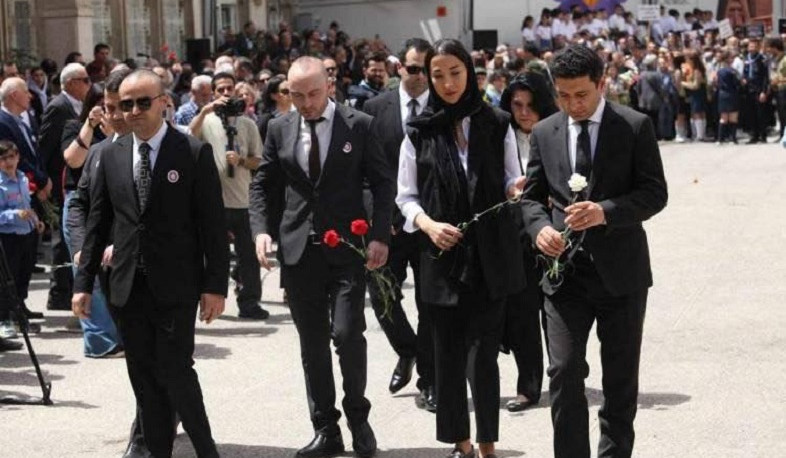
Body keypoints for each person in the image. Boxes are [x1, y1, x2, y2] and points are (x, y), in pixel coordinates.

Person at [72, 69, 228, 458]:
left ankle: (206, 449)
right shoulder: (110, 154)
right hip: (127, 286)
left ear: (164, 103)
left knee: (176, 372)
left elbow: (212, 225)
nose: (135, 111)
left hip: (176, 284)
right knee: (143, 378)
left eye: (144, 102)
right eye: (126, 104)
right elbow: (97, 223)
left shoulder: (191, 151)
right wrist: (82, 283)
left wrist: (215, 287)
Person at [521, 44, 667, 458]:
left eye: (582, 94)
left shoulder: (634, 125)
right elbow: (531, 199)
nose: (573, 105)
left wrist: (605, 212)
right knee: (564, 372)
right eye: (563, 96)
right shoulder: (545, 131)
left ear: (602, 84)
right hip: (563, 277)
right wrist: (540, 229)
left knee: (620, 379)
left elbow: (654, 193)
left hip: (621, 275)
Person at [250, 56, 394, 458]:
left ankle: (358, 418)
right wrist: (261, 230)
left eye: (313, 93)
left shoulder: (359, 125)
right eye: (297, 95)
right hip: (299, 251)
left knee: (347, 335)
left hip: (347, 248)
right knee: (312, 344)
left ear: (329, 85)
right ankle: (325, 428)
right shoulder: (278, 128)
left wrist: (380, 236)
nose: (307, 103)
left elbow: (382, 183)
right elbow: (263, 184)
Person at [396, 38, 525, 458]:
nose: (448, 83)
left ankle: (487, 443)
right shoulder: (419, 131)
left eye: (455, 72)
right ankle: (460, 443)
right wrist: (428, 225)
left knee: (483, 355)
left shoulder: (497, 122)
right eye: (438, 75)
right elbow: (405, 196)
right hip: (440, 257)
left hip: (489, 255)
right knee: (447, 354)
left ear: (470, 72)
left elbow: (511, 177)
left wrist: (516, 188)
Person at [66, 67, 151, 458]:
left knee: (164, 357)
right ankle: (152, 420)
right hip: (115, 275)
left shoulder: (162, 148)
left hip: (159, 270)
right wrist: (83, 249)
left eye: (123, 107)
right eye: (110, 107)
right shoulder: (100, 153)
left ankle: (148, 430)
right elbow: (80, 205)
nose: (116, 115)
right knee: (137, 354)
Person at [362, 37, 436, 411]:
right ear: (399, 68)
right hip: (388, 224)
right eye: (413, 68)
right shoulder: (375, 109)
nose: (419, 76)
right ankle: (408, 350)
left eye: (426, 69)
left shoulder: (443, 107)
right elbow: (367, 172)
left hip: (430, 224)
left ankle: (430, 379)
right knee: (381, 297)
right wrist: (379, 219)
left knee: (430, 302)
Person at [498, 71, 558, 414]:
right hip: (514, 238)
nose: (523, 113)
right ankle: (528, 385)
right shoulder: (500, 136)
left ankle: (564, 372)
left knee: (557, 312)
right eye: (517, 105)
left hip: (553, 235)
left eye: (531, 106)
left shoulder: (557, 133)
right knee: (522, 314)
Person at [190, 72, 267, 320]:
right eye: (220, 89)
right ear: (213, 93)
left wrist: (241, 160)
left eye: (229, 89)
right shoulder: (207, 121)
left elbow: (259, 161)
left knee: (248, 258)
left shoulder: (248, 124)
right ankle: (209, 301)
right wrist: (205, 111)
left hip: (243, 200)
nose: (225, 93)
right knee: (213, 256)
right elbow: (188, 138)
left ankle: (250, 302)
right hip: (214, 202)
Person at [60, 81, 124, 358]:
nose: (108, 112)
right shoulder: (74, 126)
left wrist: (112, 132)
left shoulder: (122, 131)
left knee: (111, 271)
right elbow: (73, 160)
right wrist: (89, 124)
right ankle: (100, 342)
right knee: (89, 272)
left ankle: (118, 335)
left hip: (111, 204)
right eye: (103, 106)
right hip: (81, 201)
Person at [39, 62, 90, 311]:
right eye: (85, 80)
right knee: (62, 237)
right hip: (59, 181)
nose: (89, 85)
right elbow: (46, 146)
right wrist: (44, 180)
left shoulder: (77, 105)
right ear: (70, 83)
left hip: (72, 179)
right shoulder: (58, 107)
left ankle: (66, 287)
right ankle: (58, 292)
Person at [0, 141, 44, 341]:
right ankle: (4, 319)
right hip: (8, 237)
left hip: (26, 234)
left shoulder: (23, 178)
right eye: (3, 158)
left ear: (18, 157)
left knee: (23, 276)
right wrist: (15, 214)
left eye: (11, 157)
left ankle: (19, 315)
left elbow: (28, 205)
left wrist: (35, 221)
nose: (8, 162)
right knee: (6, 281)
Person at [742, 39, 769, 144]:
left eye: (753, 47)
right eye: (750, 47)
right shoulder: (746, 58)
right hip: (749, 89)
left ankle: (763, 135)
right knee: (751, 113)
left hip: (759, 89)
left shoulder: (762, 59)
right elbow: (745, 72)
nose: (751, 49)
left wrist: (763, 91)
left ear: (758, 47)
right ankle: (754, 135)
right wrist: (744, 79)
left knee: (760, 113)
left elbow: (765, 77)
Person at [714, 50, 741, 144]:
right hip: (732, 94)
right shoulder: (733, 71)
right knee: (733, 117)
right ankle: (733, 138)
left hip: (722, 94)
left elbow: (716, 83)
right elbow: (737, 83)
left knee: (723, 118)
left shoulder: (719, 71)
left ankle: (720, 139)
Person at [680, 53, 708, 142]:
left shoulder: (697, 71)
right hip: (697, 94)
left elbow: (695, 85)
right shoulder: (694, 70)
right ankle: (699, 134)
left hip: (698, 94)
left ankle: (700, 135)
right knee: (698, 113)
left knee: (697, 113)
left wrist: (683, 83)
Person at [256, 75, 292, 143]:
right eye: (285, 91)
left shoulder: (298, 114)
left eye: (292, 90)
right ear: (273, 96)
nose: (290, 94)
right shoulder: (266, 120)